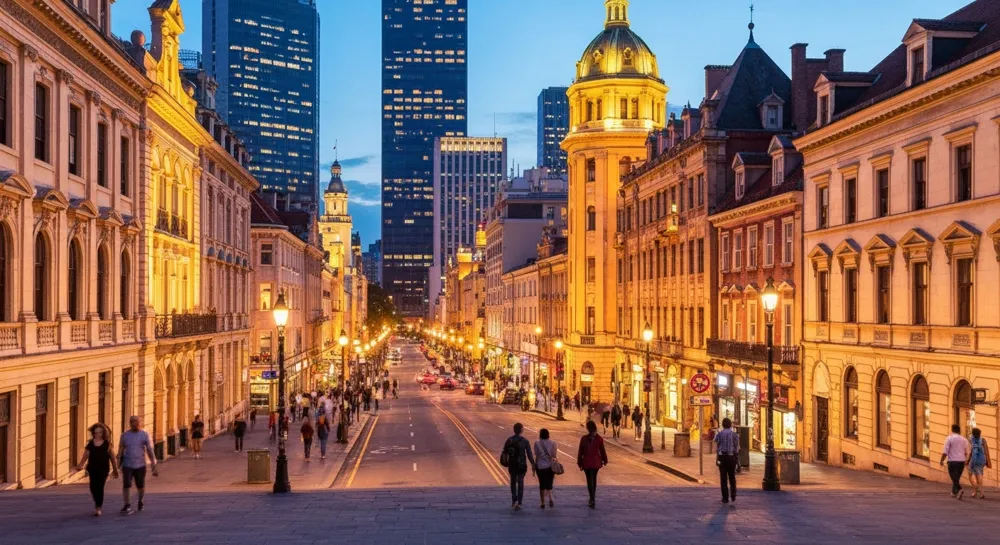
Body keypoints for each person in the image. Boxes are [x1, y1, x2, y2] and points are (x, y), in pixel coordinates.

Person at [117, 416, 158, 515]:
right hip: (127, 464)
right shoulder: (124, 435)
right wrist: (117, 465)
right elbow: (121, 450)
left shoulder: (144, 435)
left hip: (140, 465)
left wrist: (153, 465)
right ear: (129, 423)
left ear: (140, 423)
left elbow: (149, 450)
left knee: (140, 485)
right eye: (132, 422)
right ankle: (127, 504)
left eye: (136, 422)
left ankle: (141, 500)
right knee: (126, 484)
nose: (134, 423)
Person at [77, 423, 118, 516]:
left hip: (103, 469)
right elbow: (86, 455)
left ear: (103, 433)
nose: (98, 434)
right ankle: (97, 502)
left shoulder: (107, 444)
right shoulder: (90, 444)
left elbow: (112, 458)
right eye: (96, 433)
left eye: (100, 432)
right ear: (93, 433)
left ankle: (98, 507)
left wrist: (115, 470)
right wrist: (80, 465)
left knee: (100, 487)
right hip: (92, 468)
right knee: (92, 487)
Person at [500, 422, 536, 511]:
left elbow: (505, 451)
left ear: (514, 430)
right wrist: (533, 463)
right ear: (521, 430)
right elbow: (529, 454)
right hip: (521, 465)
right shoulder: (525, 441)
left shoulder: (509, 440)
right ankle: (519, 502)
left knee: (513, 483)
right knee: (520, 483)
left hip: (512, 464)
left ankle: (514, 500)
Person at [577, 420, 608, 508]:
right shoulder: (598, 438)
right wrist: (605, 460)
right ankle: (592, 498)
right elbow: (602, 451)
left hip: (588, 462)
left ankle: (592, 498)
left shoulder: (585, 439)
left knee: (590, 480)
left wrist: (579, 462)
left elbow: (581, 452)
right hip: (595, 462)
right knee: (593, 480)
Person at [940, 424, 970, 499]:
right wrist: (966, 460)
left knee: (954, 477)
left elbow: (945, 451)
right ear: (959, 430)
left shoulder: (949, 438)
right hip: (961, 462)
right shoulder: (964, 439)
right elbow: (967, 452)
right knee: (956, 478)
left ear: (952, 429)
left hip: (952, 461)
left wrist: (942, 460)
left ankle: (959, 489)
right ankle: (954, 492)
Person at [714, 417, 739, 504]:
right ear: (730, 424)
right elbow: (736, 447)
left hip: (722, 457)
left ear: (723, 424)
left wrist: (717, 458)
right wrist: (736, 458)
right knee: (732, 477)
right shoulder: (734, 434)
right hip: (731, 457)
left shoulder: (720, 434)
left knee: (723, 478)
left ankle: (725, 498)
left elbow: (716, 442)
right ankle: (733, 494)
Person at [533, 428, 558, 509]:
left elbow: (537, 455)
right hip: (550, 466)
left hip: (540, 466)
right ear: (548, 435)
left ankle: (542, 502)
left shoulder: (537, 443)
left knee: (542, 484)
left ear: (540, 435)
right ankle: (550, 498)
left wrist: (535, 465)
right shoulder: (553, 443)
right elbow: (554, 455)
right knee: (549, 482)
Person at [967, 427, 991, 499]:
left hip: (974, 460)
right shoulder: (983, 440)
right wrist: (987, 460)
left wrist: (969, 462)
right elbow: (986, 451)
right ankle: (979, 493)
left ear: (973, 434)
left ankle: (977, 489)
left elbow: (972, 452)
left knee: (970, 475)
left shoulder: (971, 440)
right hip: (982, 460)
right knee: (979, 474)